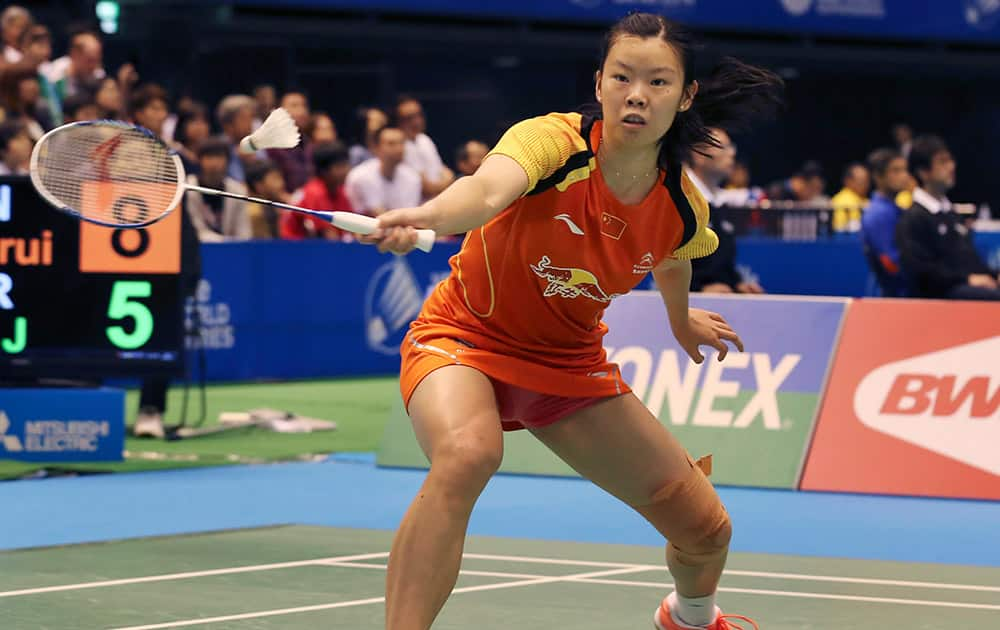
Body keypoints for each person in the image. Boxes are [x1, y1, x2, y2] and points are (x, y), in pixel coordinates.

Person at [363, 13, 782, 630]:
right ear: (601, 82)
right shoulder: (552, 143)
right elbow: (482, 195)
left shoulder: (682, 206)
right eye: (623, 77)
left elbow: (671, 259)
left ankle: (690, 618)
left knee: (705, 530)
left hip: (567, 363)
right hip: (464, 336)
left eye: (658, 82)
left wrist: (682, 321)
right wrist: (425, 216)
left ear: (686, 95)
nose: (637, 93)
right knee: (468, 453)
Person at [895, 135, 1000, 300]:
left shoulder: (951, 214)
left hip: (965, 289)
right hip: (941, 299)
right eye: (942, 162)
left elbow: (969, 262)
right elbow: (921, 272)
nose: (951, 166)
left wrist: (994, 276)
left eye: (951, 160)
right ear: (923, 172)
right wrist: (966, 279)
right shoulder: (913, 218)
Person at [860, 148, 909, 296]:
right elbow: (890, 263)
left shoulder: (898, 209)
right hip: (893, 297)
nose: (904, 176)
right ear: (878, 176)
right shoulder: (878, 214)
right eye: (895, 171)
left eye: (905, 170)